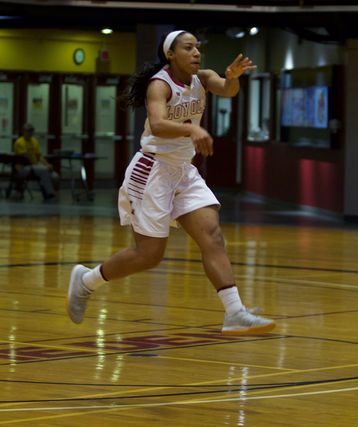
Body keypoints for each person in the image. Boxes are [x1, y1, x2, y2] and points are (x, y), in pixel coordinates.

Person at [66, 30, 275, 335]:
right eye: (188, 48)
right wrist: (192, 131)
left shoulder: (201, 78)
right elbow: (159, 124)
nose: (196, 54)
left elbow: (228, 90)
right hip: (152, 171)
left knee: (213, 236)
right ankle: (87, 281)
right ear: (171, 54)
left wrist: (232, 78)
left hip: (184, 171)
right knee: (149, 255)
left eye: (198, 48)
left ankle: (235, 313)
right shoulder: (160, 85)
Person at [13, 123, 58, 200]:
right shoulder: (19, 142)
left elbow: (39, 156)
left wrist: (47, 164)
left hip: (35, 165)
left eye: (31, 131)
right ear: (23, 131)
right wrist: (41, 165)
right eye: (28, 131)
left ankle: (48, 191)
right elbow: (26, 157)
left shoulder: (34, 141)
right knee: (44, 170)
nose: (29, 133)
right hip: (23, 167)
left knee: (54, 175)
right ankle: (50, 192)